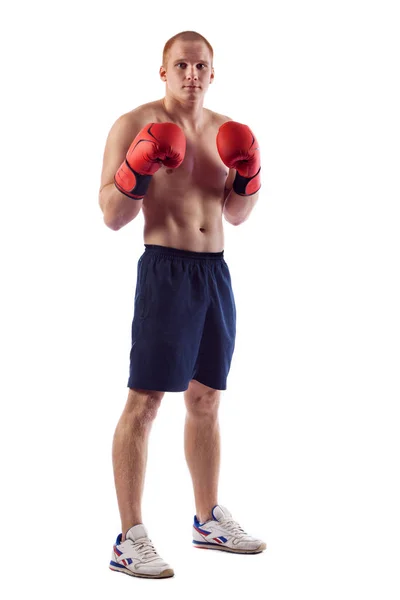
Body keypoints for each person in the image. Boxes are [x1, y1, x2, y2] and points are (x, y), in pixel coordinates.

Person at [98, 30, 266, 580]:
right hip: (165, 271)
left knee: (207, 400)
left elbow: (238, 216)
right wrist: (139, 165)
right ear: (163, 71)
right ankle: (130, 538)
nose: (191, 75)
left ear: (212, 73)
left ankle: (206, 519)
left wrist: (247, 173)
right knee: (145, 403)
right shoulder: (133, 124)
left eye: (200, 66)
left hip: (214, 273)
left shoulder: (227, 131)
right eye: (181, 66)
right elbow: (111, 215)